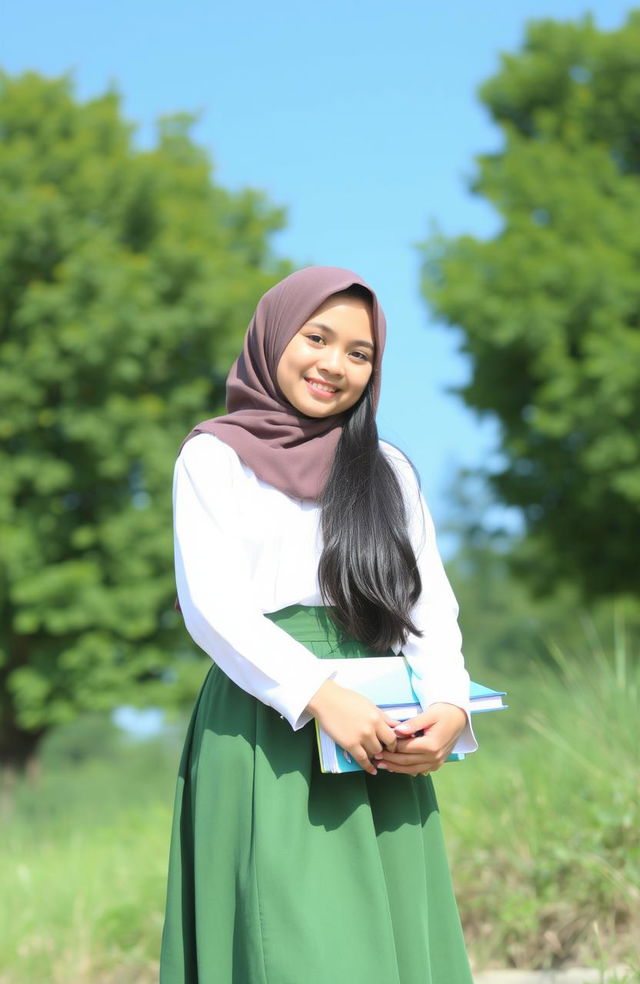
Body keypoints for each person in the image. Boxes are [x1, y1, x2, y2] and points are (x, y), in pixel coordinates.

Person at [159, 266, 478, 984]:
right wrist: (319, 696)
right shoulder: (214, 457)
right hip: (267, 721)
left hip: (381, 735)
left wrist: (451, 706)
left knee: (394, 946)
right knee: (291, 944)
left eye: (359, 353)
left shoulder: (387, 469)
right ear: (274, 336)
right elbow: (213, 607)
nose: (335, 364)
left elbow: (429, 608)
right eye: (318, 338)